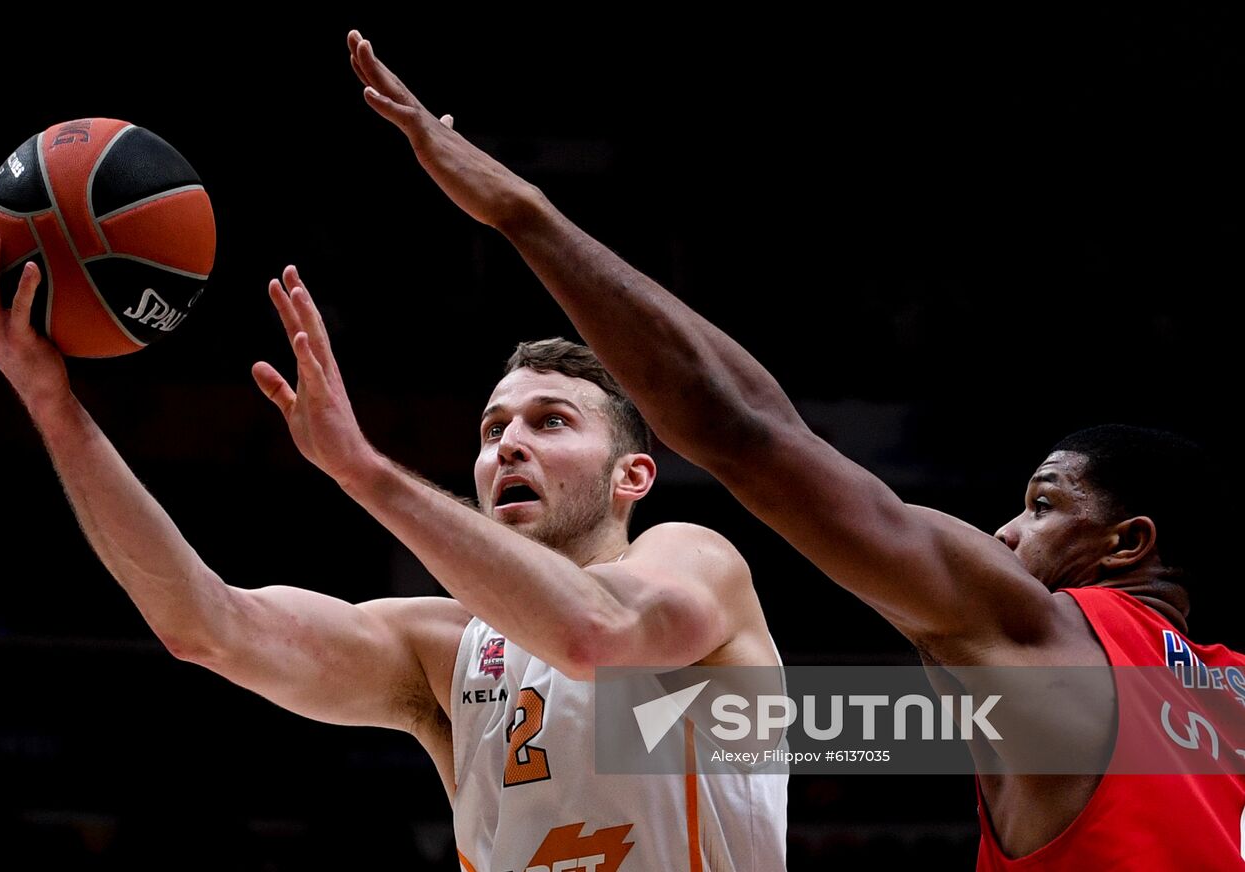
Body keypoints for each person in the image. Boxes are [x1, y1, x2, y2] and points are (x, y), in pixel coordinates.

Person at [345, 29, 1245, 869]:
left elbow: (746, 430)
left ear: (1130, 544)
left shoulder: (1049, 644)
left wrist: (523, 215)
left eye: (1044, 505)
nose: (1006, 534)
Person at [0, 215, 786, 870]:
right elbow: (204, 625)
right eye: (494, 430)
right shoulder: (442, 651)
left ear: (631, 477)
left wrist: (364, 472)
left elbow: (595, 635)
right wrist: (52, 404)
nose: (509, 446)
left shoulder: (694, 559)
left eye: (551, 422)